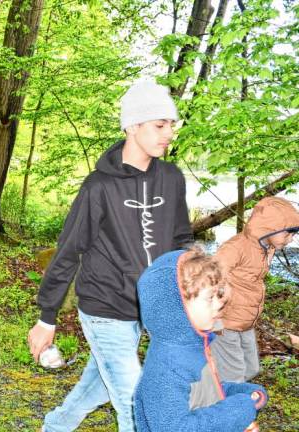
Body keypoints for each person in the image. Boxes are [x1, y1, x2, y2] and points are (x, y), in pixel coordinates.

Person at [27, 81, 193, 432]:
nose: (169, 134)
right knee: (136, 403)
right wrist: (46, 317)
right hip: (104, 306)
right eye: (160, 125)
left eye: (171, 125)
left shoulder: (172, 179)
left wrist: (195, 288)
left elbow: (181, 240)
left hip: (147, 307)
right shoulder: (98, 186)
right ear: (133, 126)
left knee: (98, 386)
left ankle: (53, 427)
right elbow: (69, 251)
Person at [134, 248, 267, 432]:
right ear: (177, 308)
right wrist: (236, 412)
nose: (220, 303)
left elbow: (204, 395)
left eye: (218, 295)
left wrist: (243, 395)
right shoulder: (166, 368)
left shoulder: (190, 349)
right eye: (210, 298)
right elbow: (175, 428)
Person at [211, 197, 299, 383]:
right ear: (269, 228)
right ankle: (223, 405)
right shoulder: (236, 247)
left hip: (246, 323)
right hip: (225, 323)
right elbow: (210, 277)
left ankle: (214, 380)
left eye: (294, 234)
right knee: (233, 376)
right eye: (288, 234)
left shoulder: (266, 248)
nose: (291, 239)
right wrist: (215, 317)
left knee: (251, 368)